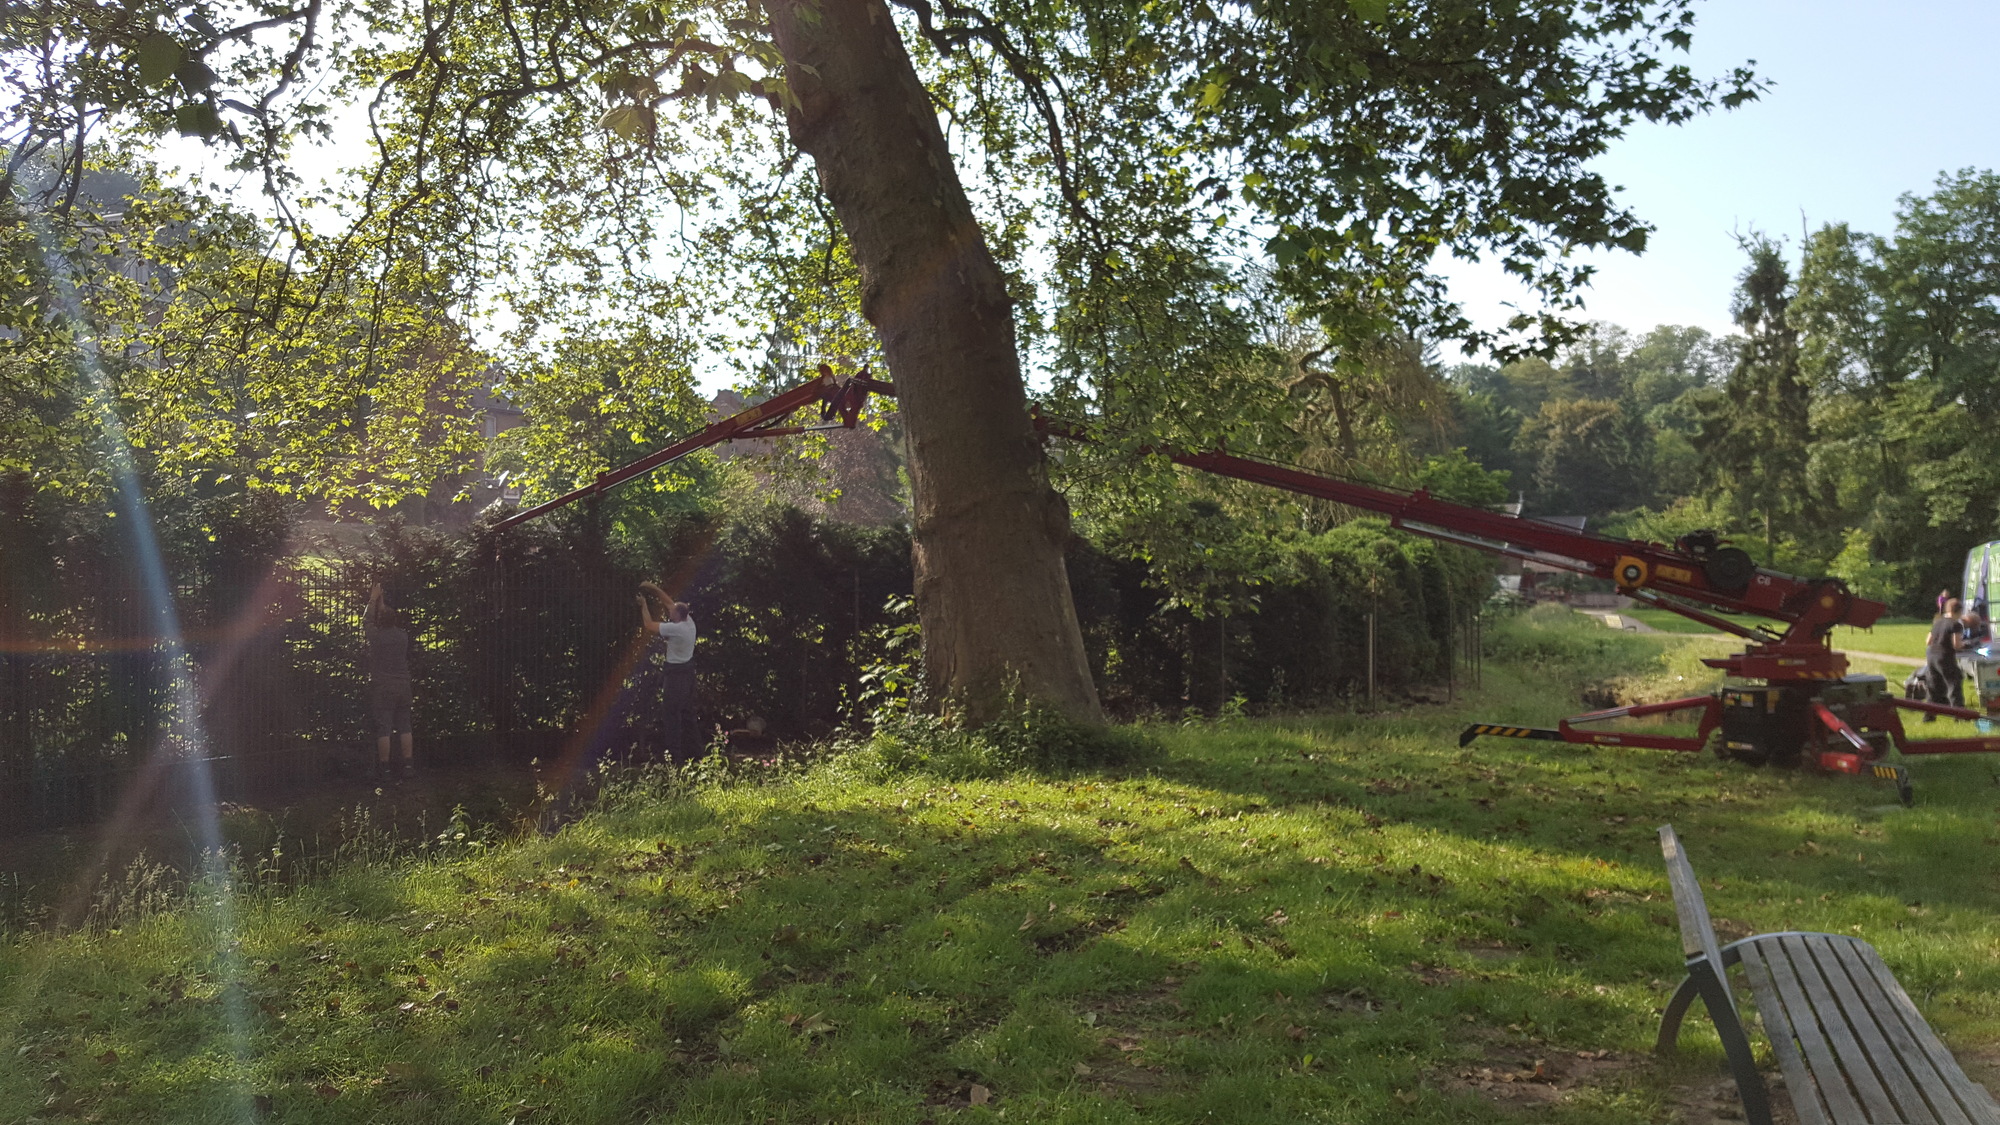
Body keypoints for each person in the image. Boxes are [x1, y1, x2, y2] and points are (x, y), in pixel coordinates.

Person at [637, 581, 697, 761]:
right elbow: (669, 603)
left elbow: (649, 625)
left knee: (671, 714)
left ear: (678, 615)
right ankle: (696, 754)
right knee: (686, 713)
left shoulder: (676, 629)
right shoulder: (689, 622)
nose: (669, 613)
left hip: (675, 675)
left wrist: (644, 604)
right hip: (687, 673)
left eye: (671, 613)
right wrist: (653, 588)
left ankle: (675, 757)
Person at [365, 583, 416, 778]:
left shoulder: (376, 637)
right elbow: (385, 620)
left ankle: (384, 768)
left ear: (380, 621)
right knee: (405, 726)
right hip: (403, 685)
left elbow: (366, 621)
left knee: (384, 728)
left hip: (383, 687)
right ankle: (408, 766)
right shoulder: (403, 636)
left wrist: (373, 599)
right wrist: (382, 602)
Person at [1922, 597, 1967, 716]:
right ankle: (1959, 714)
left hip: (1931, 656)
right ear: (1959, 611)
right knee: (1954, 684)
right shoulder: (1955, 624)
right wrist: (1966, 645)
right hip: (1944, 657)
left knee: (1933, 687)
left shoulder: (1937, 622)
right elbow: (1956, 645)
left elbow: (1928, 641)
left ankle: (1929, 716)